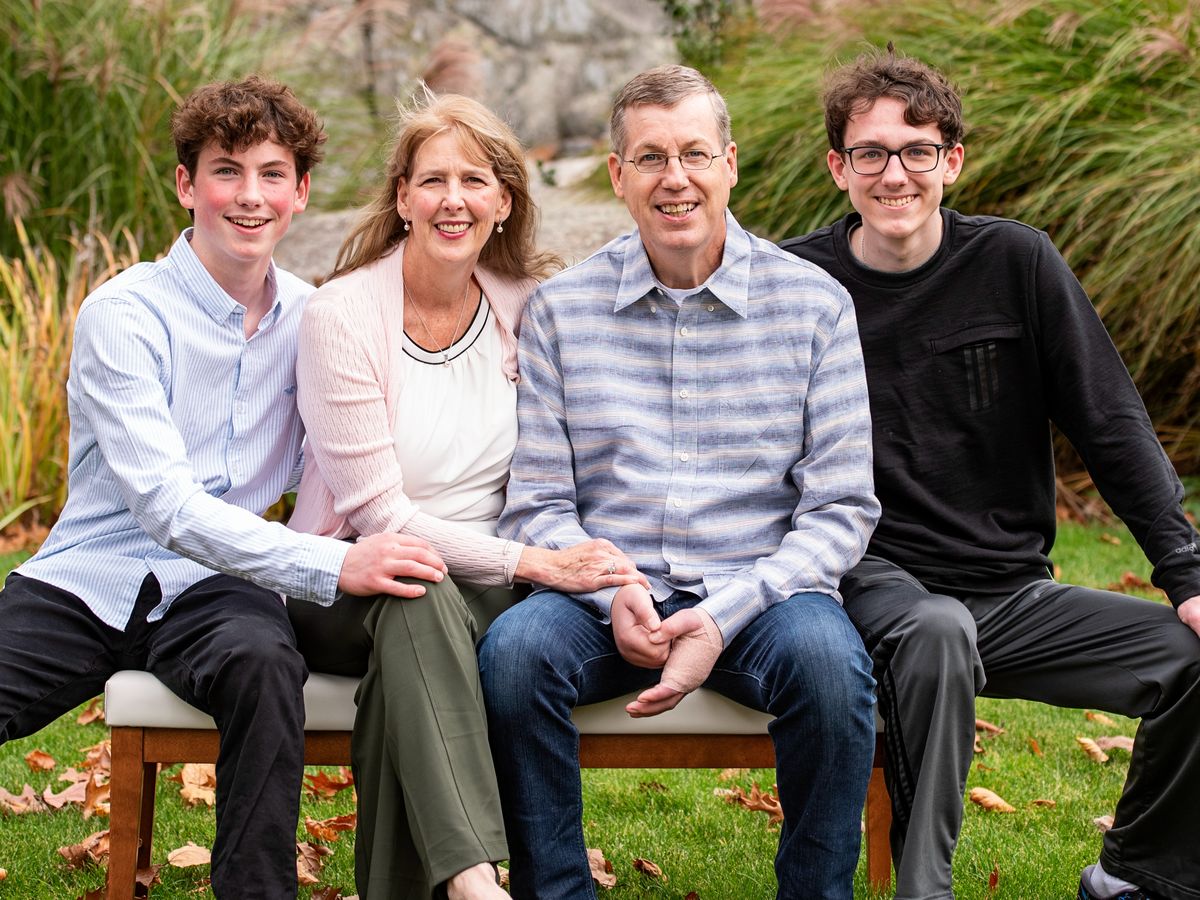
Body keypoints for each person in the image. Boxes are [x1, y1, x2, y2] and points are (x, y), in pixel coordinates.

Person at [0, 76, 448, 899]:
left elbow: (340, 461)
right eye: (226, 171)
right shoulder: (124, 314)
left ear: (300, 193)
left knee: (264, 664)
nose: (250, 196)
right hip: (87, 578)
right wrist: (330, 564)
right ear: (186, 184)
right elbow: (165, 507)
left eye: (273, 174)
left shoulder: (317, 320)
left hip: (220, 584)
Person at [780, 46, 1200, 900]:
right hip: (865, 585)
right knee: (938, 631)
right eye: (871, 153)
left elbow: (1111, 425)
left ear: (953, 161)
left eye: (918, 151)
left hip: (1009, 594)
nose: (895, 174)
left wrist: (1187, 575)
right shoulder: (795, 282)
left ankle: (1133, 875)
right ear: (838, 167)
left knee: (1190, 659)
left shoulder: (1016, 262)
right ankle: (924, 891)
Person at [477, 64, 881, 900]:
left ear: (729, 164)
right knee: (514, 657)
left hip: (763, 594)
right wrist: (612, 588)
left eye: (695, 153)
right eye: (652, 158)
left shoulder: (814, 306)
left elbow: (840, 509)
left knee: (831, 669)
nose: (676, 178)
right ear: (617, 175)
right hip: (606, 592)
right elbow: (539, 503)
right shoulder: (562, 310)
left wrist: (727, 611)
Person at [285, 91, 647, 900]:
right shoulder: (341, 315)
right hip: (346, 578)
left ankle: (451, 883)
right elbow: (381, 517)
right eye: (434, 180)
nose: (454, 200)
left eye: (475, 180)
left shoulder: (526, 305)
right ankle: (477, 880)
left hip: (485, 588)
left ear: (504, 201)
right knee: (414, 587)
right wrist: (540, 565)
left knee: (414, 649)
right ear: (403, 197)